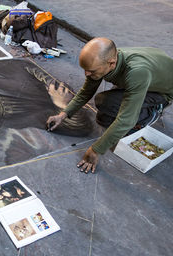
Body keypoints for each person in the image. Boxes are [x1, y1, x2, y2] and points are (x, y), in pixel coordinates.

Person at [46, 37, 173, 173]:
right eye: (85, 69)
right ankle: (135, 99)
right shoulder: (103, 62)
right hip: (147, 78)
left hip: (161, 93)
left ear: (111, 63)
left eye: (92, 71)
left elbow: (126, 120)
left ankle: (153, 112)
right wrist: (63, 114)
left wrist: (96, 150)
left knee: (116, 113)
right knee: (104, 108)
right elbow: (85, 93)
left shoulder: (136, 72)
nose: (87, 74)